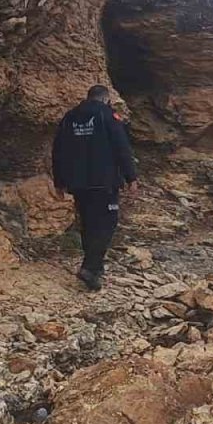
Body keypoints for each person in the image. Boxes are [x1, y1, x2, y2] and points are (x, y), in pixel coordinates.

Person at [52, 85, 138, 291]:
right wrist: (131, 177)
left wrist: (60, 181)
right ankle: (90, 268)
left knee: (88, 223)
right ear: (106, 99)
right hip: (104, 181)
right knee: (107, 224)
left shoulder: (70, 117)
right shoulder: (108, 116)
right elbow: (121, 147)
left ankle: (95, 268)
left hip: (78, 183)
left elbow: (58, 150)